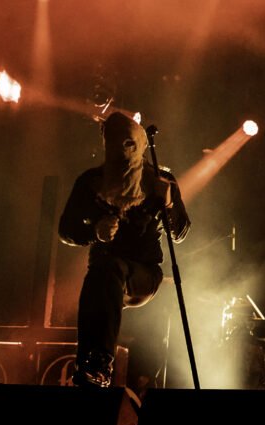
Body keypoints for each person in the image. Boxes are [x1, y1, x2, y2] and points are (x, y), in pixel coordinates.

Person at [58, 112, 190, 388]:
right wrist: (94, 232)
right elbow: (66, 230)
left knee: (108, 270)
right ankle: (87, 369)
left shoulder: (160, 180)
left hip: (144, 274)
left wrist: (168, 205)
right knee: (98, 279)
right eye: (115, 144)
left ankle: (99, 365)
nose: (122, 152)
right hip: (103, 271)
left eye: (129, 144)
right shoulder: (91, 183)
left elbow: (180, 233)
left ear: (140, 145)